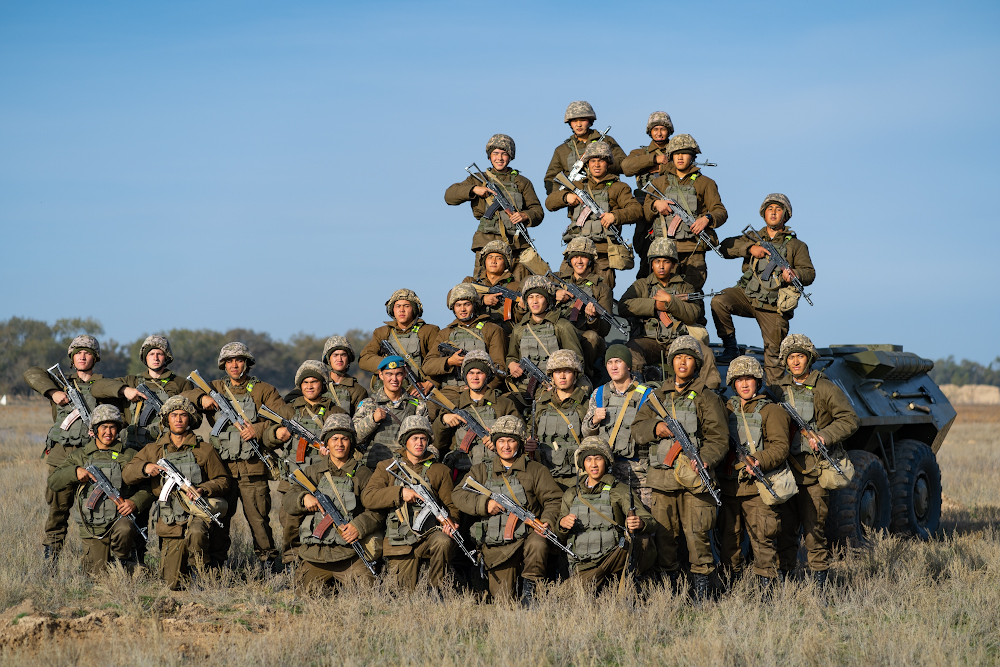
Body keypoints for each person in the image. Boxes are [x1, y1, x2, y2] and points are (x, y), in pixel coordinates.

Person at [630, 336, 727, 600]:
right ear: (671, 362)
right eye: (678, 357)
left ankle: (703, 595)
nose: (683, 363)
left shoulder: (707, 397)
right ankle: (670, 594)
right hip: (662, 480)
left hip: (695, 480)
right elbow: (637, 430)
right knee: (664, 539)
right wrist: (655, 428)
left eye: (688, 358)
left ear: (696, 363)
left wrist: (704, 459)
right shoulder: (657, 397)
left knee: (698, 537)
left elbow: (718, 438)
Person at [183, 342, 293, 570]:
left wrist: (258, 430)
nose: (234, 365)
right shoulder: (213, 387)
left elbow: (283, 417)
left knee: (259, 519)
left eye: (239, 360)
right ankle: (216, 564)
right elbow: (181, 398)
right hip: (221, 471)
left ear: (247, 363)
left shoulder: (265, 390)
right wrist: (201, 399)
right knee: (219, 518)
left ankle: (268, 563)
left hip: (253, 468)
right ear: (223, 364)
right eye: (229, 361)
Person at [23, 335, 124, 563]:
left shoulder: (102, 386)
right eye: (78, 352)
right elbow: (31, 373)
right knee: (57, 511)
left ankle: (98, 557)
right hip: (61, 456)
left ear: (95, 357)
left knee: (95, 508)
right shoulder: (60, 383)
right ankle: (51, 559)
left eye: (87, 352)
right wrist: (53, 392)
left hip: (92, 457)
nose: (82, 356)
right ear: (71, 356)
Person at [772, 335, 859, 585]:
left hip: (814, 473)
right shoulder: (778, 389)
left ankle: (819, 585)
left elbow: (849, 419)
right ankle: (787, 582)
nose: (795, 361)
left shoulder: (824, 388)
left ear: (809, 358)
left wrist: (824, 436)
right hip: (784, 472)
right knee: (785, 532)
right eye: (791, 357)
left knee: (814, 532)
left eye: (800, 356)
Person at [452, 415, 563, 606]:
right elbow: (458, 495)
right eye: (501, 441)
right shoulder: (481, 471)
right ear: (494, 443)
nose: (506, 446)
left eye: (511, 440)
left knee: (538, 543)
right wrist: (484, 505)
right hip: (497, 544)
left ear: (519, 443)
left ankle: (531, 590)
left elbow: (554, 500)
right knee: (503, 601)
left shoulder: (535, 470)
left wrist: (547, 521)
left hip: (528, 536)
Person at [122, 396, 230, 590]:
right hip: (170, 521)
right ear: (166, 419)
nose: (178, 419)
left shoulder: (204, 450)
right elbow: (128, 474)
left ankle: (202, 575)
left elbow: (223, 480)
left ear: (190, 419)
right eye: (174, 415)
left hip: (197, 513)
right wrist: (145, 467)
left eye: (183, 415)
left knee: (197, 533)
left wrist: (203, 489)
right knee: (172, 583)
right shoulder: (153, 450)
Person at [711, 193, 816, 383]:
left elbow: (809, 273)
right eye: (770, 209)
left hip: (773, 306)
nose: (774, 213)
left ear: (785, 215)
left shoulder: (796, 245)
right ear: (763, 213)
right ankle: (730, 347)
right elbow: (724, 247)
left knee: (774, 359)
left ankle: (776, 399)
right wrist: (749, 248)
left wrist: (795, 274)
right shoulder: (753, 237)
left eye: (778, 209)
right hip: (746, 296)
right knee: (719, 300)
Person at [283, 414, 384, 592]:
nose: (339, 444)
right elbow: (288, 501)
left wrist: (358, 527)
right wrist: (303, 498)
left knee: (369, 593)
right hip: (315, 556)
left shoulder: (363, 474)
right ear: (326, 444)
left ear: (351, 442)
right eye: (334, 439)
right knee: (305, 597)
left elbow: (377, 511)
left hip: (349, 556)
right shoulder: (312, 472)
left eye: (344, 439)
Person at [48, 405, 152, 575]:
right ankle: (120, 567)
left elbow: (148, 488)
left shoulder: (129, 454)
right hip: (92, 526)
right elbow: (53, 481)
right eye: (104, 427)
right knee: (96, 575)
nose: (108, 432)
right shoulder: (81, 455)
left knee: (126, 529)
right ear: (95, 429)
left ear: (118, 429)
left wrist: (134, 502)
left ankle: (123, 560)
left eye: (112, 427)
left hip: (120, 521)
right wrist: (74, 472)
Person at [264, 360, 347, 568]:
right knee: (289, 522)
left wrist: (332, 451)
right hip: (292, 477)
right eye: (305, 382)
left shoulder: (335, 412)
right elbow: (265, 437)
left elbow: (346, 440)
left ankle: (316, 564)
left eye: (314, 382)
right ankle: (291, 563)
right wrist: (277, 434)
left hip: (323, 478)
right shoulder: (289, 410)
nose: (309, 386)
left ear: (322, 384)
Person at [362, 416, 459, 594]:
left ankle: (436, 592)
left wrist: (451, 522)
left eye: (423, 439)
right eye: (414, 438)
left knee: (443, 542)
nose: (419, 443)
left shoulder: (440, 470)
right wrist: (399, 493)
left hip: (430, 536)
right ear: (405, 441)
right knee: (400, 595)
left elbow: (451, 505)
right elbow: (368, 497)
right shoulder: (387, 467)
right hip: (399, 541)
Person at [717, 356, 790, 588]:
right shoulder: (725, 409)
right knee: (729, 541)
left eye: (749, 379)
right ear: (732, 383)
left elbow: (780, 447)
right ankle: (731, 587)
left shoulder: (770, 411)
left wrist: (758, 459)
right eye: (739, 380)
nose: (744, 384)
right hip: (730, 487)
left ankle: (766, 591)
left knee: (763, 541)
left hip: (758, 488)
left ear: (758, 382)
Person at [619, 238, 721, 387]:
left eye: (666, 262)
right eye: (657, 261)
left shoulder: (686, 287)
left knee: (706, 353)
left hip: (680, 340)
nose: (661, 266)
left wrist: (669, 302)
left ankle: (710, 394)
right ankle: (637, 389)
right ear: (651, 264)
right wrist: (654, 305)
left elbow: (693, 314)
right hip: (650, 340)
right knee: (631, 349)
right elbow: (624, 306)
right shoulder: (642, 285)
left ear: (673, 264)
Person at [556, 437, 653, 590]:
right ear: (582, 463)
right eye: (588, 459)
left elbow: (649, 521)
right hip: (583, 564)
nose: (593, 464)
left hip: (613, 559)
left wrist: (640, 523)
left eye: (598, 458)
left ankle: (636, 581)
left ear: (606, 461)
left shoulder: (619, 490)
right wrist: (562, 524)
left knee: (643, 539)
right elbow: (559, 536)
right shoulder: (571, 494)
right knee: (564, 597)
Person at [545, 142, 642, 289]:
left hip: (603, 255)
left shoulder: (618, 187)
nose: (597, 165)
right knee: (566, 295)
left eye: (601, 160)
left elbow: (636, 210)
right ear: (587, 164)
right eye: (593, 161)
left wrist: (615, 216)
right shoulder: (577, 185)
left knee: (601, 299)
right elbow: (549, 203)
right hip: (575, 254)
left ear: (608, 164)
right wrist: (565, 197)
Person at [445, 134, 545, 274]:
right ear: (490, 156)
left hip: (516, 245)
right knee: (485, 288)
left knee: (519, 289)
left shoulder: (522, 182)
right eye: (495, 153)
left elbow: (538, 211)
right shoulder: (478, 179)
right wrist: (474, 189)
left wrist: (524, 215)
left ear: (510, 156)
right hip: (487, 243)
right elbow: (449, 196)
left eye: (504, 154)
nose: (499, 158)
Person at [641, 134, 728, 290]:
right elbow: (646, 213)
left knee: (692, 296)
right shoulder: (659, 182)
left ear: (693, 156)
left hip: (693, 251)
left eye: (685, 153)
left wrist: (707, 218)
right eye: (676, 153)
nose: (680, 157)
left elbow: (720, 211)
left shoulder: (706, 183)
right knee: (662, 295)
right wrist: (655, 204)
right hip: (664, 251)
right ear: (671, 156)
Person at [91, 335, 195, 450]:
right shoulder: (132, 381)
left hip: (168, 446)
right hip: (134, 447)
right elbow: (97, 387)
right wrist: (124, 390)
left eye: (159, 354)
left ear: (166, 357)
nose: (155, 358)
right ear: (145, 358)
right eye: (151, 354)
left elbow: (195, 419)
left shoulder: (180, 383)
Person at [583, 345, 654, 507]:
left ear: (628, 365)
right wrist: (594, 420)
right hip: (608, 474)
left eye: (618, 361)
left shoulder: (647, 394)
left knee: (641, 524)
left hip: (640, 476)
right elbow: (586, 433)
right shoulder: (599, 393)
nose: (613, 366)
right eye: (609, 362)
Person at [436, 350, 520, 473]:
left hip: (496, 473)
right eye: (471, 373)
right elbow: (437, 444)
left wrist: (499, 440)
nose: (475, 377)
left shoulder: (504, 404)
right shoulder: (453, 406)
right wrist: (443, 421)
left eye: (480, 373)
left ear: (488, 376)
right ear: (465, 376)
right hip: (462, 472)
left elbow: (520, 439)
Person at [421, 283, 507, 395]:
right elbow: (427, 366)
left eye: (467, 304)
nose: (462, 309)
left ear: (474, 305)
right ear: (453, 308)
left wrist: (483, 388)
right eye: (458, 305)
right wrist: (449, 362)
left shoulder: (492, 330)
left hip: (482, 392)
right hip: (450, 392)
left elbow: (499, 367)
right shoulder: (445, 333)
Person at [621, 111, 674, 278]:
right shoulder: (640, 152)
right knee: (646, 256)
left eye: (663, 129)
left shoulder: (677, 151)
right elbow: (627, 167)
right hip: (647, 211)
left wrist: (664, 168)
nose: (659, 133)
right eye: (655, 129)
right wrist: (653, 160)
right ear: (649, 131)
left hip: (672, 208)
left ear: (669, 131)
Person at [358, 289, 440, 397]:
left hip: (418, 392)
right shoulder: (382, 332)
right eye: (398, 306)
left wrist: (429, 383)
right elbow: (364, 358)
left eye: (406, 306)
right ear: (392, 310)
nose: (401, 310)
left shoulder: (428, 331)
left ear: (414, 309)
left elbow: (439, 361)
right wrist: (390, 364)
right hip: (388, 393)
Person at [506, 275, 584, 388]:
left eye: (539, 296)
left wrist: (560, 388)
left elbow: (578, 362)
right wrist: (512, 365)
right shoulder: (519, 329)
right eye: (531, 297)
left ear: (547, 300)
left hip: (555, 388)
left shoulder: (562, 326)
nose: (535, 301)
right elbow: (511, 356)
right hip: (524, 388)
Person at [550, 237, 613, 375]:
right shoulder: (555, 279)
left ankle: (584, 375)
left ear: (590, 259)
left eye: (583, 257)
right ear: (569, 260)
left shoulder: (601, 288)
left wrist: (593, 318)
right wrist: (553, 294)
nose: (579, 261)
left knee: (592, 337)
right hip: (554, 327)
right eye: (575, 257)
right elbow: (531, 290)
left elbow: (605, 329)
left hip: (581, 333)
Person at [354, 356, 430, 468]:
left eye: (398, 374)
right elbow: (353, 438)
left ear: (404, 375)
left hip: (407, 470)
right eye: (389, 374)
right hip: (374, 470)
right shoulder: (368, 404)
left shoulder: (418, 406)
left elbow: (429, 441)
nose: (394, 379)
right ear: (381, 375)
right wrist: (372, 420)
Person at [530, 350, 590, 490]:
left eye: (567, 371)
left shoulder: (586, 404)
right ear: (552, 376)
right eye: (557, 372)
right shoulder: (541, 404)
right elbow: (531, 433)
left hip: (578, 478)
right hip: (546, 478)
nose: (562, 376)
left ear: (575, 374)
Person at [543, 101, 627, 195]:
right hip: (578, 201)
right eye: (574, 121)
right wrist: (564, 197)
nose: (578, 124)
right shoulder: (562, 150)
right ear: (570, 123)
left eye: (582, 120)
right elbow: (551, 179)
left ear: (590, 122)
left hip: (610, 196)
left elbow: (625, 165)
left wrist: (603, 162)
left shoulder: (606, 141)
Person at [285, 336, 369, 416]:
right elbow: (290, 402)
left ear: (348, 359)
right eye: (335, 355)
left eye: (343, 355)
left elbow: (359, 421)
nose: (339, 359)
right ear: (328, 359)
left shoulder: (358, 391)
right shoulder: (315, 383)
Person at [462, 239, 527, 333]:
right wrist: (482, 299)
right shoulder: (471, 281)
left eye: (499, 258)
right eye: (490, 257)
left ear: (506, 262)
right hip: (477, 333)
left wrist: (521, 309)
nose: (493, 261)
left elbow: (519, 320)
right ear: (484, 261)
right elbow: (452, 298)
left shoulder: (516, 286)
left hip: (505, 333)